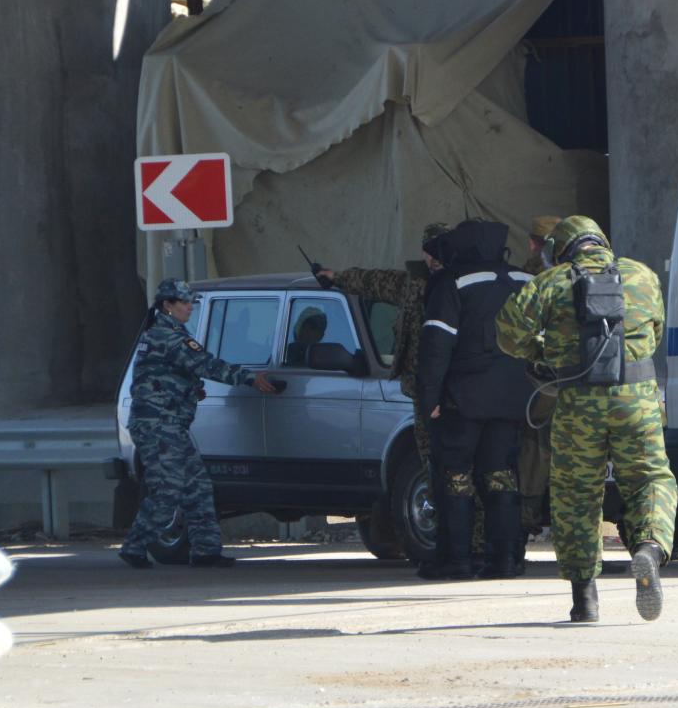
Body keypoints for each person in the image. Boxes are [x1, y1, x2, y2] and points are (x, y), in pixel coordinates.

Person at [496, 215, 678, 623]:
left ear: (561, 250)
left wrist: (544, 352)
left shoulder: (551, 282)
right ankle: (648, 549)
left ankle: (585, 599)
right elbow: (655, 331)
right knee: (649, 478)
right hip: (637, 399)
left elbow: (507, 333)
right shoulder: (643, 276)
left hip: (578, 401)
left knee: (576, 493)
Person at [317, 223, 452, 574]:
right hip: (434, 391)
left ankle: (459, 546)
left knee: (450, 467)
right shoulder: (418, 283)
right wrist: (336, 278)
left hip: (447, 391)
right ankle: (454, 545)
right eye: (429, 249)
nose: (430, 256)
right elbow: (372, 281)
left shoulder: (449, 283)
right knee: (438, 465)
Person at [120, 278, 281, 570]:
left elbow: (166, 373)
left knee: (197, 486)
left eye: (190, 302)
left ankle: (206, 551)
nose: (190, 308)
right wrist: (250, 378)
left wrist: (189, 388)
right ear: (168, 306)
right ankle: (135, 546)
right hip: (159, 426)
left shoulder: (160, 333)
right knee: (167, 489)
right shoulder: (170, 337)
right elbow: (207, 364)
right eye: (184, 303)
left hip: (165, 424)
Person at [415, 218, 534, 580]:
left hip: (462, 399)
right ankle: (506, 560)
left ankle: (457, 560)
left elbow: (437, 347)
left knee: (454, 476)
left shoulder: (453, 283)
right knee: (501, 476)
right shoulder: (524, 281)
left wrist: (429, 397)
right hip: (514, 397)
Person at [517, 215, 563, 538]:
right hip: (585, 376)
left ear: (535, 244)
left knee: (533, 440)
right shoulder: (587, 272)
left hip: (543, 377)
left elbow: (516, 329)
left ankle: (529, 509)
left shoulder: (529, 276)